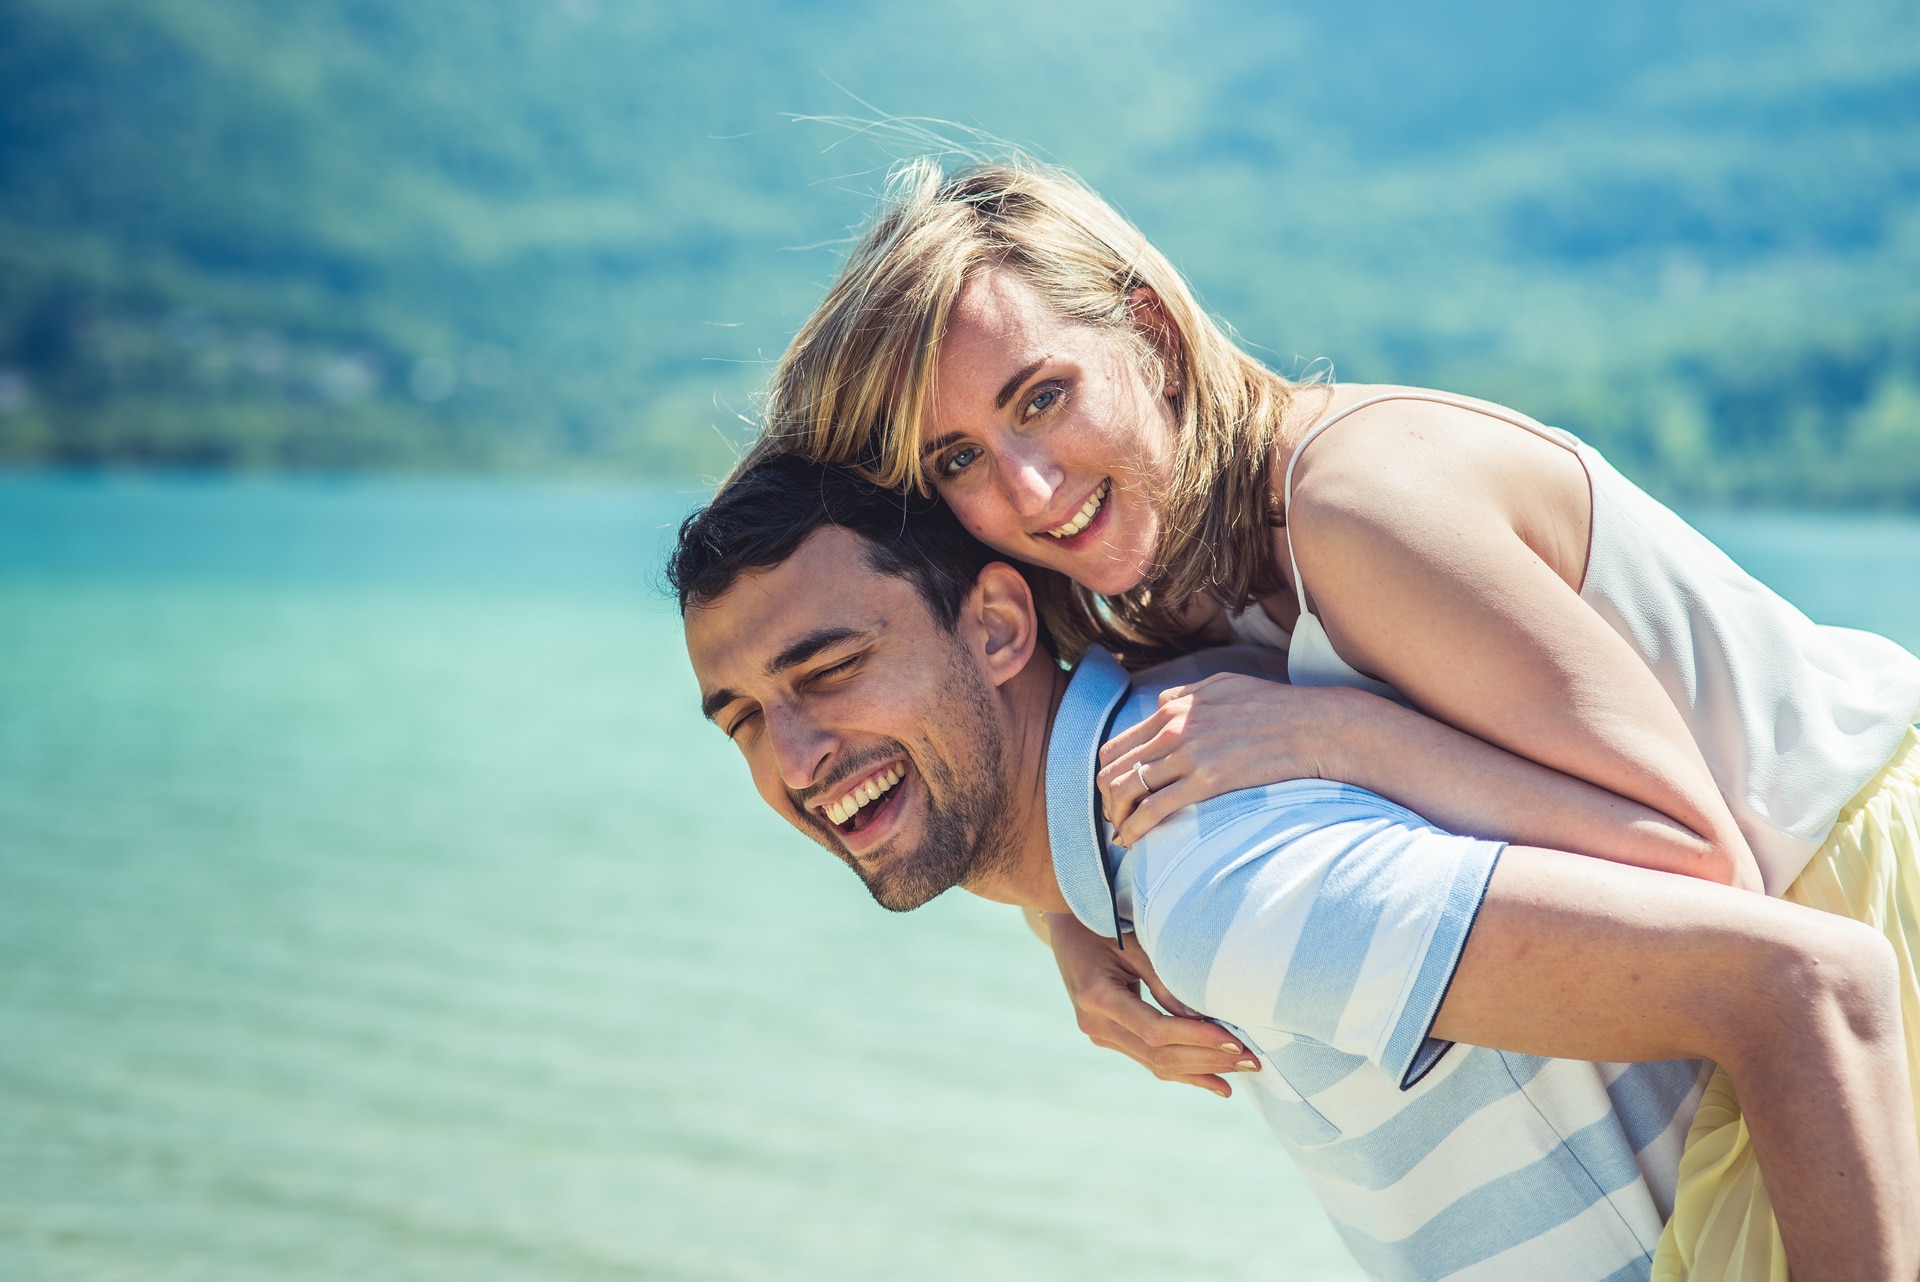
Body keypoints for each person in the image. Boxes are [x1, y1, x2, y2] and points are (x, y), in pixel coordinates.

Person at [751, 157, 1920, 1276]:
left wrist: (1331, 734)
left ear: (1151, 336)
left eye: (1044, 400)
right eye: (959, 458)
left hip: (1851, 888)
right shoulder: (1134, 579)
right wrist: (1067, 930)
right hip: (1781, 970)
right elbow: (1033, 756)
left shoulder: (1357, 509)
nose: (1032, 489)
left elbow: (1694, 859)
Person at [670, 454, 1918, 1282]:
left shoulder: (1211, 876)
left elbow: (1806, 986)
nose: (795, 757)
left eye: (829, 671)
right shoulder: (1166, 771)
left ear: (1000, 625)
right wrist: (1056, 919)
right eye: (740, 719)